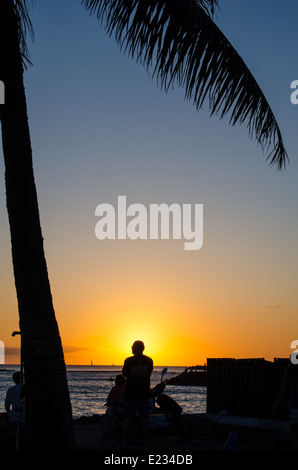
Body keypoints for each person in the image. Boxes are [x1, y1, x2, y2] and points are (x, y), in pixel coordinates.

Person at [121, 340, 153, 448]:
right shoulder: (149, 361)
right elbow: (149, 374)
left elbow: (124, 374)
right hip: (143, 393)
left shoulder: (128, 361)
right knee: (145, 418)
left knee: (128, 418)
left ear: (135, 348)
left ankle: (124, 443)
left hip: (130, 394)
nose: (131, 348)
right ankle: (146, 443)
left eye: (132, 347)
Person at [271, 360, 298, 449]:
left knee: (295, 439)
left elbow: (283, 391)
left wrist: (275, 408)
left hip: (295, 410)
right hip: (294, 409)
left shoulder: (290, 370)